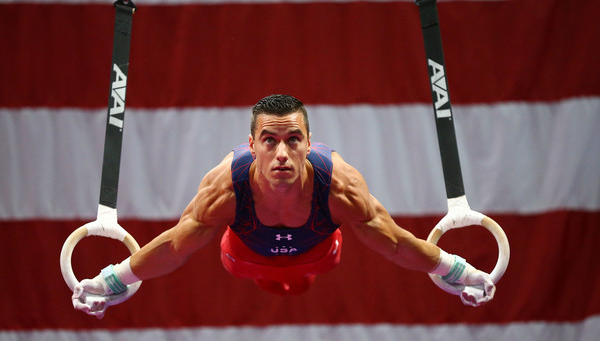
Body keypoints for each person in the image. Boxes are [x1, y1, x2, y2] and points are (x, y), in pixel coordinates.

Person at [73, 94, 495, 317]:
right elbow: (174, 247)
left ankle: (298, 269)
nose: (281, 153)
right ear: (251, 144)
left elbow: (397, 245)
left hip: (318, 254)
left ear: (309, 144)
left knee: (307, 272)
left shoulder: (340, 187)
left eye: (293, 140)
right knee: (251, 264)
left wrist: (460, 270)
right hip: (244, 257)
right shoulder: (225, 187)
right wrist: (111, 280)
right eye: (269, 141)